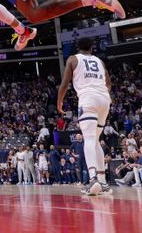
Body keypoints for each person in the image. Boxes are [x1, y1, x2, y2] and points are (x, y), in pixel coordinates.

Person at [57, 37, 113, 196]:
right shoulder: (99, 61)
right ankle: (103, 183)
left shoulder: (73, 59)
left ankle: (94, 179)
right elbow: (108, 83)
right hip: (104, 100)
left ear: (77, 47)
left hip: (88, 99)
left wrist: (59, 102)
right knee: (95, 140)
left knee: (88, 139)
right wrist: (103, 94)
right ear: (92, 48)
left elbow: (64, 84)